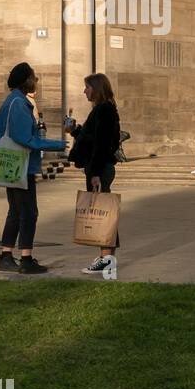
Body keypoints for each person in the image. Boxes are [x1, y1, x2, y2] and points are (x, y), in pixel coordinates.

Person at [0, 62, 67, 274]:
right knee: (29, 212)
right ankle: (26, 259)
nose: (37, 80)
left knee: (16, 211)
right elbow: (27, 139)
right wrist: (59, 144)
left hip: (12, 167)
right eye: (34, 76)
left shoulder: (12, 101)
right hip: (20, 168)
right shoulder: (18, 103)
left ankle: (6, 257)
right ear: (26, 80)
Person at [67, 73, 122, 275]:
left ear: (96, 89)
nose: (84, 91)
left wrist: (96, 172)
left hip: (99, 167)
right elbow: (92, 138)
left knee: (104, 214)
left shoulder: (104, 110)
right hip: (97, 166)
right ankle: (106, 258)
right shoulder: (102, 109)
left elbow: (102, 143)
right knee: (104, 213)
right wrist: (74, 131)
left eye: (87, 87)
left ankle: (107, 259)